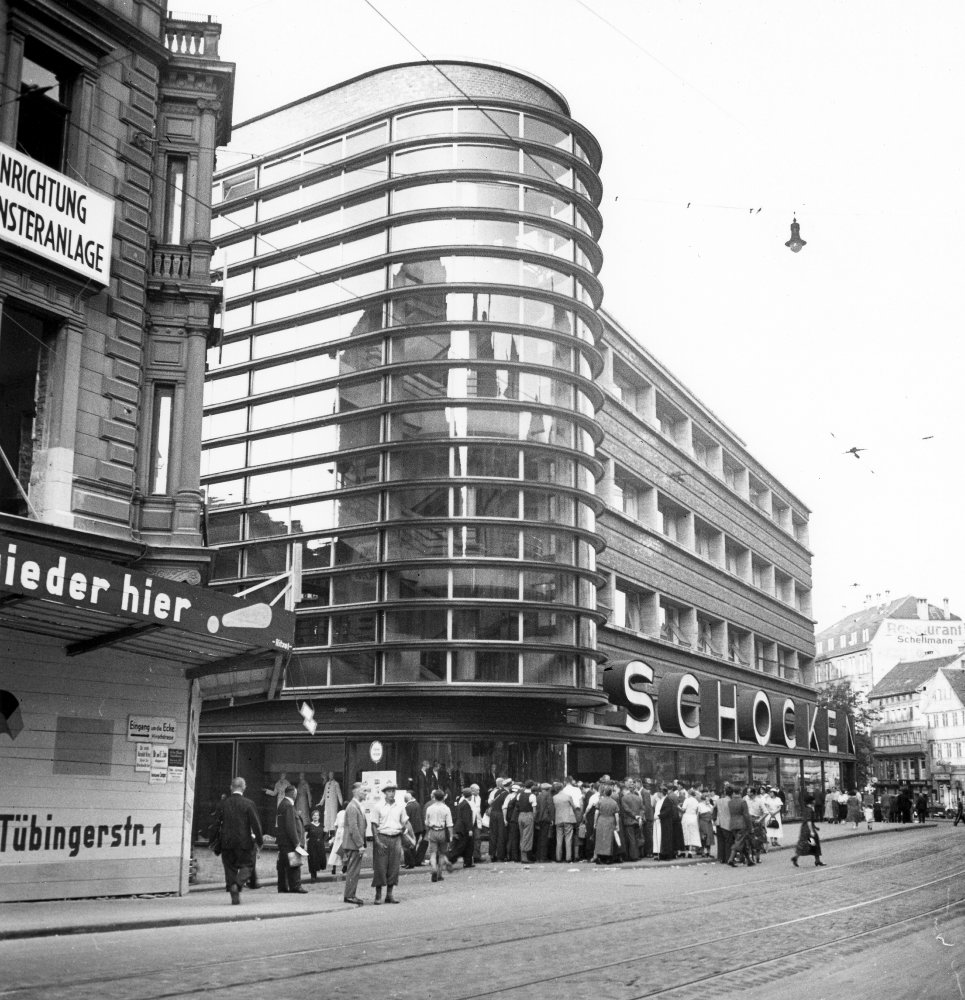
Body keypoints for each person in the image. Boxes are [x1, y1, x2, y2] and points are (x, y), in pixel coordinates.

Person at [210, 777, 263, 905]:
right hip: (244, 842)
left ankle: (233, 889)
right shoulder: (249, 803)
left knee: (229, 867)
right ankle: (237, 885)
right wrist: (260, 841)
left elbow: (215, 824)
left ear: (231, 787)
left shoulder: (223, 804)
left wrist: (212, 841)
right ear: (244, 788)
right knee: (248, 865)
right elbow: (256, 824)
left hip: (226, 842)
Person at [369, 780, 412, 904]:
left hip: (396, 838)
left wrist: (406, 832)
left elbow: (405, 822)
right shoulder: (378, 806)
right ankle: (378, 895)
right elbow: (373, 825)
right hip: (382, 837)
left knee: (394, 867)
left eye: (393, 791)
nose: (391, 793)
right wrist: (377, 841)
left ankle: (389, 895)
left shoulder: (400, 807)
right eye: (389, 791)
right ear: (384, 793)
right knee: (380, 867)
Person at [275, 783, 308, 894]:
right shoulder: (288, 806)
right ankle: (295, 886)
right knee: (294, 864)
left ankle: (283, 887)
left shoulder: (282, 804)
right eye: (296, 793)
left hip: (283, 841)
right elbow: (290, 826)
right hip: (289, 842)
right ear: (293, 793)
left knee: (283, 864)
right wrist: (296, 842)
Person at [340, 782, 367, 905]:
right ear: (356, 792)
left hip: (353, 844)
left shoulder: (355, 806)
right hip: (353, 845)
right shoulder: (352, 807)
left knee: (354, 870)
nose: (365, 793)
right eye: (363, 791)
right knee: (353, 871)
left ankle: (351, 894)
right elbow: (353, 828)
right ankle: (350, 895)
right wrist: (360, 844)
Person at [424, 788, 453, 882]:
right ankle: (440, 873)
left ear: (434, 797)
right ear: (443, 797)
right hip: (443, 831)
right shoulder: (446, 808)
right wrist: (451, 835)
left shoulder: (429, 808)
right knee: (442, 854)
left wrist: (428, 830)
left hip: (432, 831)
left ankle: (433, 869)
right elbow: (449, 824)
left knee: (432, 853)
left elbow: (427, 822)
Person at [791, 792, 825, 867]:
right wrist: (812, 831)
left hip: (804, 828)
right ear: (811, 801)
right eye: (814, 800)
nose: (815, 801)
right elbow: (809, 821)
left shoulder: (806, 809)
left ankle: (796, 857)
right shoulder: (810, 810)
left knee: (804, 843)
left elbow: (809, 820)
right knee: (813, 843)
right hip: (808, 829)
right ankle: (817, 860)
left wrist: (815, 827)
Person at [448, 787, 476, 869]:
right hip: (463, 829)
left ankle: (468, 862)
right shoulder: (466, 805)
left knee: (468, 845)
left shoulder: (461, 804)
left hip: (460, 827)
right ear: (470, 796)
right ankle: (449, 860)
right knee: (460, 847)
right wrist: (469, 829)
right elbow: (466, 818)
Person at [592, 785, 620, 864]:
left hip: (601, 820)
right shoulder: (614, 802)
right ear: (611, 793)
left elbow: (596, 813)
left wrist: (595, 823)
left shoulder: (600, 801)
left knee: (600, 839)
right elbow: (617, 815)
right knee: (609, 839)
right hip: (610, 821)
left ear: (604, 792)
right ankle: (608, 858)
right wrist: (617, 825)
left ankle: (600, 857)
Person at [727, 787, 754, 867]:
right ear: (740, 792)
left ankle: (749, 861)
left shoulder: (730, 802)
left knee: (741, 842)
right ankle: (730, 859)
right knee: (739, 842)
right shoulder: (743, 802)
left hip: (732, 824)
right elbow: (746, 815)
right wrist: (750, 827)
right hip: (742, 824)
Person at [552, 780, 578, 862]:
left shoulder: (554, 797)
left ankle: (558, 858)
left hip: (558, 819)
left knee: (559, 839)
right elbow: (574, 807)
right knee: (568, 838)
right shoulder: (568, 796)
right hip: (567, 819)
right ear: (562, 787)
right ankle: (568, 858)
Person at [402, 790, 427, 869]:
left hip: (411, 829)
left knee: (408, 846)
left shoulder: (408, 807)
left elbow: (406, 819)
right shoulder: (417, 804)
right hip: (418, 828)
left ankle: (409, 863)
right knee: (413, 845)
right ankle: (412, 862)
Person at [516, 781, 537, 862]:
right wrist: (534, 818)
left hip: (520, 815)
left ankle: (522, 856)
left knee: (522, 836)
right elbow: (534, 810)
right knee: (527, 837)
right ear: (531, 787)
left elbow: (517, 806)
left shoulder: (519, 795)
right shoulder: (532, 796)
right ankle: (525, 858)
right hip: (528, 815)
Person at [305, 808, 327, 882]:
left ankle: (316, 874)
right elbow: (305, 836)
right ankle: (313, 876)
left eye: (317, 815)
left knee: (319, 859)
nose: (315, 817)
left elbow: (324, 835)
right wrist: (305, 844)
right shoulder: (309, 826)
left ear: (319, 817)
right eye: (314, 815)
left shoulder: (321, 826)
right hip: (312, 846)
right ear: (312, 816)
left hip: (320, 845)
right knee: (312, 860)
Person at [680, 788, 701, 859]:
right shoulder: (696, 801)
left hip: (687, 817)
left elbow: (683, 809)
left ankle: (683, 851)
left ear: (689, 794)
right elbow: (698, 810)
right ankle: (690, 851)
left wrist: (678, 807)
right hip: (693, 817)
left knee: (685, 833)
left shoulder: (687, 800)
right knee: (692, 834)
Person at [714, 785, 732, 864]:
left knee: (720, 841)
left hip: (718, 822)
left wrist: (714, 820)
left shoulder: (718, 801)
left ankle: (721, 857)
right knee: (728, 841)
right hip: (727, 823)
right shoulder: (731, 801)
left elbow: (714, 811)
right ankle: (728, 857)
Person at [697, 791, 715, 857]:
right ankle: (702, 852)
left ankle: (708, 852)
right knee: (703, 836)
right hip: (703, 822)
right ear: (704, 798)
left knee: (709, 837)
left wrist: (709, 805)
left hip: (709, 822)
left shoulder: (710, 805)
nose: (708, 799)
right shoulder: (699, 805)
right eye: (706, 798)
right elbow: (698, 815)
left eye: (708, 798)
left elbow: (712, 812)